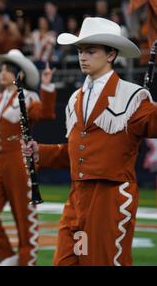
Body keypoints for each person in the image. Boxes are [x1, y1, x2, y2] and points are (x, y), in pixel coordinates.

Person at [21, 17, 154, 266]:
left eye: (90, 51)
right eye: (81, 51)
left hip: (111, 197)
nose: (83, 57)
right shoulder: (75, 98)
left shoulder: (133, 96)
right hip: (77, 197)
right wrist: (41, 152)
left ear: (111, 54)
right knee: (67, 261)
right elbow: (75, 152)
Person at [0, 49, 56, 266]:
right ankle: (5, 256)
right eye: (1, 68)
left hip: (20, 161)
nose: (2, 72)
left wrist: (47, 86)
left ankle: (25, 261)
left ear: (19, 74)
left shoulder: (29, 97)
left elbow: (46, 114)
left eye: (7, 69)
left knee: (24, 217)